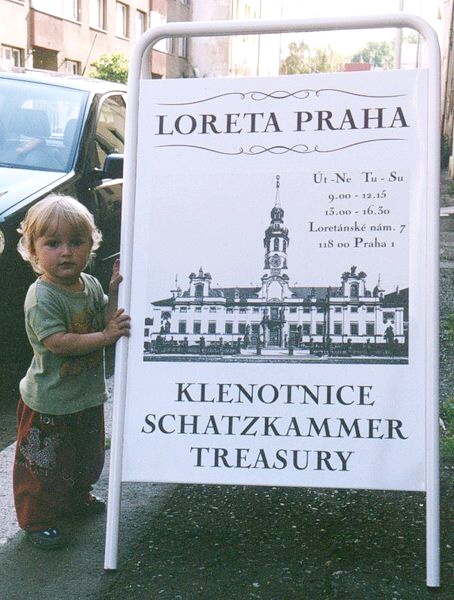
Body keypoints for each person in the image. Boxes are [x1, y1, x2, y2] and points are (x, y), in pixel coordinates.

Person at [13, 195, 131, 550]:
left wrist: (113, 293)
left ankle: (75, 498)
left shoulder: (90, 284)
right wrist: (106, 337)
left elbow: (106, 319)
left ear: (90, 246)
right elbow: (59, 343)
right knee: (42, 464)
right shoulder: (42, 297)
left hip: (85, 396)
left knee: (85, 456)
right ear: (33, 251)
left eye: (76, 242)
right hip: (49, 401)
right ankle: (37, 519)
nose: (66, 252)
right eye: (52, 243)